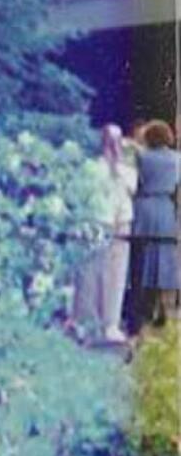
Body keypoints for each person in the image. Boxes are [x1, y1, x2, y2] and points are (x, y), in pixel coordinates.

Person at [69, 124, 137, 344]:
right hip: (97, 222)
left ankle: (111, 323)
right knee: (91, 273)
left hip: (121, 225)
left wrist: (117, 167)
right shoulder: (91, 168)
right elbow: (82, 192)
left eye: (118, 142)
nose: (114, 147)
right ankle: (86, 320)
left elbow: (133, 189)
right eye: (111, 142)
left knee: (116, 275)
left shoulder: (128, 171)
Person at [130, 119, 180, 328]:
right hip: (164, 208)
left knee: (141, 256)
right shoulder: (177, 159)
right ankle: (161, 306)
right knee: (163, 257)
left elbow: (136, 181)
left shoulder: (141, 156)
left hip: (144, 206)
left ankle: (140, 308)